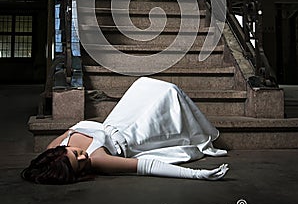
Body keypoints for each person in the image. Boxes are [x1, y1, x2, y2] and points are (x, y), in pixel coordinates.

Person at [22, 77, 229, 184]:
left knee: (144, 84)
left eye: (77, 155)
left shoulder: (53, 147)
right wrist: (197, 175)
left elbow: (44, 166)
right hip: (138, 134)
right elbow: (147, 166)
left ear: (57, 153)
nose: (84, 157)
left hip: (119, 119)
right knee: (170, 93)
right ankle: (200, 134)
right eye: (81, 166)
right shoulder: (98, 159)